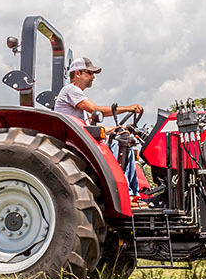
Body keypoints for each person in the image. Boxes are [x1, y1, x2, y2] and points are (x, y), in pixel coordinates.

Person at [54, 57, 144, 193]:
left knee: (125, 142)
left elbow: (92, 126)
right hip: (72, 143)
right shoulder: (71, 90)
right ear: (77, 73)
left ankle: (132, 193)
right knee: (116, 145)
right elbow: (96, 110)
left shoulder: (78, 105)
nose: (93, 77)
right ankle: (123, 192)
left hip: (80, 140)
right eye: (89, 73)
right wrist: (127, 108)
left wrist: (117, 129)